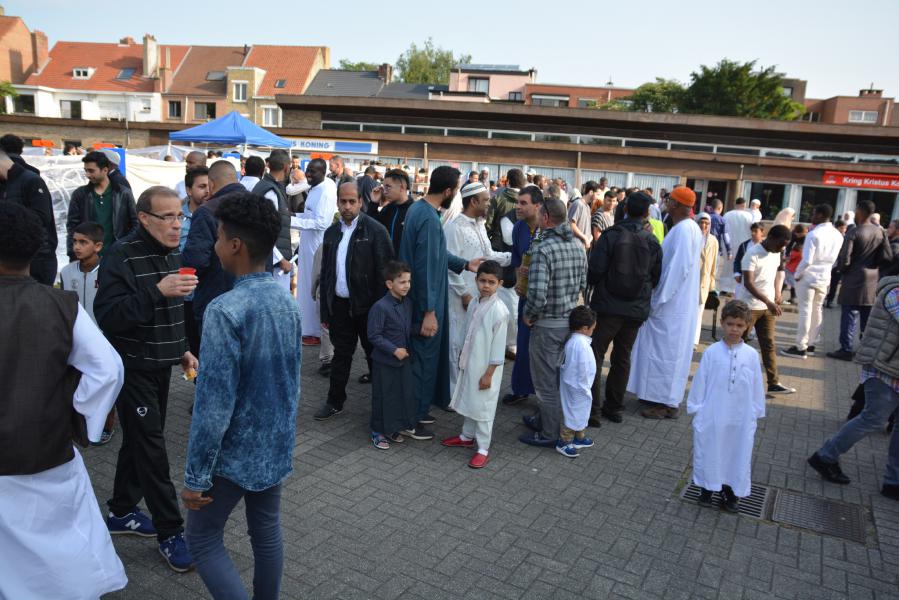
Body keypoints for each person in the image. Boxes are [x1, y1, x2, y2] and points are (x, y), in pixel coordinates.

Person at [0, 202, 127, 600]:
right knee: (60, 550)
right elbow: (108, 369)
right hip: (46, 449)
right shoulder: (60, 305)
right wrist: (81, 422)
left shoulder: (59, 303)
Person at [182, 192, 301, 600]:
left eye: (217, 237)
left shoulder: (224, 309)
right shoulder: (286, 301)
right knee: (266, 529)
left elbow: (212, 404)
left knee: (201, 537)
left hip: (232, 456)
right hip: (274, 445)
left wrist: (196, 476)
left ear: (235, 245)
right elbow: (292, 381)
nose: (213, 245)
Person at [94, 186, 198, 572]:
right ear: (144, 219)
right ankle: (171, 532)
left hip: (162, 362)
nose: (176, 225)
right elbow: (109, 317)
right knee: (152, 448)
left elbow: (174, 311)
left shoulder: (174, 253)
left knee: (139, 440)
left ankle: (121, 511)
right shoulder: (120, 255)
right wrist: (157, 291)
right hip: (133, 366)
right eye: (167, 217)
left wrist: (183, 348)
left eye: (179, 216)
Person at [399, 166, 483, 440]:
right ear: (448, 191)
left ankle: (419, 411)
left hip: (426, 301)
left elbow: (437, 253)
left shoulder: (421, 211)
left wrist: (465, 264)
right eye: (456, 190)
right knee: (423, 362)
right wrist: (429, 311)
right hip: (426, 304)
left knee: (426, 361)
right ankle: (412, 420)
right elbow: (423, 268)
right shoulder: (426, 216)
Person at [808, 274, 899, 501]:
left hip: (892, 368)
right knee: (873, 419)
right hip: (883, 368)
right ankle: (825, 457)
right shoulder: (894, 290)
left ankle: (893, 481)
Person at [314, 182, 394, 420]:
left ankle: (383, 407)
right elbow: (327, 274)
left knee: (375, 357)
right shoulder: (331, 233)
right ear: (337, 201)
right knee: (341, 356)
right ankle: (334, 401)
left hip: (369, 307)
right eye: (343, 201)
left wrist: (383, 311)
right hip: (340, 306)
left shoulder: (375, 231)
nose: (347, 206)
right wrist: (325, 313)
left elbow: (386, 272)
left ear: (361, 201)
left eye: (352, 201)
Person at [628, 186, 704, 419]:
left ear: (678, 205)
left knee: (667, 355)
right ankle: (654, 395)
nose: (666, 204)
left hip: (671, 306)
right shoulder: (684, 228)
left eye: (670, 201)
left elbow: (675, 272)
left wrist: (657, 300)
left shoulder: (684, 231)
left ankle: (666, 403)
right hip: (673, 304)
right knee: (658, 352)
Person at [588, 191, 662, 424]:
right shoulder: (652, 241)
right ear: (647, 213)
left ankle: (593, 410)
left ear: (626, 208)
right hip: (635, 309)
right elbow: (656, 276)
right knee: (622, 356)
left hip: (608, 307)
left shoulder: (611, 235)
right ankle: (614, 407)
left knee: (596, 354)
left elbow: (595, 270)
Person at [519, 198, 587, 447]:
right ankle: (548, 420)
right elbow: (582, 285)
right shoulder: (579, 246)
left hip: (547, 325)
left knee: (546, 383)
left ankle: (549, 433)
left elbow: (537, 293)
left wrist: (529, 313)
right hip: (569, 322)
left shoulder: (543, 249)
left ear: (546, 217)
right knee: (559, 379)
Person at [687, 300, 765, 512]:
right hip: (714, 413)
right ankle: (706, 488)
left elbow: (757, 384)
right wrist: (697, 407)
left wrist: (756, 409)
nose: (734, 329)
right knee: (711, 449)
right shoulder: (712, 352)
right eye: (730, 324)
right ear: (722, 323)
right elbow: (701, 380)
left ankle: (730, 492)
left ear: (747, 326)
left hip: (739, 417)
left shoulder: (751, 355)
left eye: (739, 325)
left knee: (736, 453)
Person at [444, 181, 511, 394]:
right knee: (456, 342)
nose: (489, 203)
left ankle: (465, 387)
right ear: (473, 201)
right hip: (459, 296)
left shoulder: (480, 224)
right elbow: (449, 266)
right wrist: (464, 293)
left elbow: (487, 255)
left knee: (473, 341)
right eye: (486, 200)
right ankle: (453, 392)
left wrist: (512, 257)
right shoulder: (455, 227)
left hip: (479, 296)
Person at [442, 260, 509, 469]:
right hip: (470, 361)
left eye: (491, 282)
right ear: (476, 280)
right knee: (471, 400)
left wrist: (489, 374)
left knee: (484, 408)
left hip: (486, 368)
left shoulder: (500, 311)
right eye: (482, 281)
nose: (486, 286)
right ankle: (466, 436)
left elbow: (498, 349)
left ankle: (483, 448)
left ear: (500, 283)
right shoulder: (474, 302)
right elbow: (467, 329)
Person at [60, 221, 117, 445]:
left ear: (98, 246)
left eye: (83, 242)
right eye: (75, 241)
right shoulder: (66, 272)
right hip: (74, 337)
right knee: (76, 381)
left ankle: (106, 425)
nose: (77, 246)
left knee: (105, 380)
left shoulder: (108, 271)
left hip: (102, 337)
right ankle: (78, 423)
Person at [182, 160, 245, 344]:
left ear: (211, 184)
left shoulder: (206, 211)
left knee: (211, 365)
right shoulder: (260, 204)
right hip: (253, 300)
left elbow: (195, 261)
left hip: (215, 300)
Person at [828, 200, 894, 360]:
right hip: (872, 277)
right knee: (867, 317)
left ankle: (846, 348)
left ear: (860, 211)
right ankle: (866, 349)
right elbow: (887, 256)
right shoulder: (880, 232)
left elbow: (845, 257)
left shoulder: (854, 232)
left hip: (853, 278)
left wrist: (843, 270)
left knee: (849, 315)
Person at [737, 224, 795, 394]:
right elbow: (748, 283)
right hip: (749, 307)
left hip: (767, 307)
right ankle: (731, 376)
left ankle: (773, 383)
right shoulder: (752, 253)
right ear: (770, 238)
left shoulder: (777, 253)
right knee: (740, 342)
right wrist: (768, 301)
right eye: (780, 244)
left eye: (784, 245)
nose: (781, 248)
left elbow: (776, 274)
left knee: (768, 344)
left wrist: (777, 293)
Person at [780, 205, 843, 359]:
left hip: (808, 276)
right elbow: (835, 260)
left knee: (805, 311)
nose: (812, 216)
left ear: (821, 215)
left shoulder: (814, 234)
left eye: (814, 213)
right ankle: (812, 344)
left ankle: (801, 347)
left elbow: (807, 260)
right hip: (825, 276)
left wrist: (797, 274)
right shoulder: (838, 235)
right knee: (817, 310)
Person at [368, 261, 418, 449]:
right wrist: (394, 350)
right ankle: (377, 431)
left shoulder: (407, 303)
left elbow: (404, 328)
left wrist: (420, 329)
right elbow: (374, 335)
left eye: (408, 281)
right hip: (385, 361)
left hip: (402, 361)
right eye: (402, 282)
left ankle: (392, 428)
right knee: (383, 396)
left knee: (398, 395)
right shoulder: (380, 307)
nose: (407, 286)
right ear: (390, 284)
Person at [502, 185, 544, 406]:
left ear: (538, 206)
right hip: (525, 296)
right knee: (523, 340)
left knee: (543, 346)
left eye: (523, 203)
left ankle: (545, 396)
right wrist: (519, 283)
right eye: (517, 202)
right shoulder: (519, 228)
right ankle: (520, 389)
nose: (517, 206)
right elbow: (518, 260)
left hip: (546, 298)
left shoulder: (548, 229)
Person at [291, 158, 338, 346]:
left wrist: (291, 221)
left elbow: (322, 223)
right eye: (307, 170)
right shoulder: (315, 186)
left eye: (313, 171)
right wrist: (293, 216)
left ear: (324, 172)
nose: (308, 174)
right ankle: (307, 328)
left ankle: (315, 332)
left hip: (317, 245)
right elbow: (310, 216)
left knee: (312, 289)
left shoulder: (326, 190)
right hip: (307, 243)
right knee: (304, 287)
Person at [66, 150, 137, 260]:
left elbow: (135, 223)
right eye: (86, 170)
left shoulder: (123, 193)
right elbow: (72, 227)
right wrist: (73, 254)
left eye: (91, 171)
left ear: (105, 170)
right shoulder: (80, 194)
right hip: (88, 258)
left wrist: (126, 247)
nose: (87, 175)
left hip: (116, 257)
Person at [0, 150, 57, 284]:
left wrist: (9, 217)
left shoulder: (32, 181)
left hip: (38, 257)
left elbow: (42, 218)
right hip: (10, 259)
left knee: (38, 301)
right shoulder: (4, 185)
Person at [556, 306, 597, 458]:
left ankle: (578, 437)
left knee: (581, 411)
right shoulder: (579, 344)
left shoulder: (577, 341)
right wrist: (583, 385)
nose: (593, 330)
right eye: (593, 328)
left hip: (577, 385)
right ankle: (564, 442)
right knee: (573, 413)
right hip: (578, 386)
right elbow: (582, 368)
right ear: (585, 328)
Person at [251, 152, 294, 290]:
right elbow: (264, 230)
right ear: (286, 168)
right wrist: (280, 260)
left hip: (269, 261)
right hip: (272, 265)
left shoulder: (265, 186)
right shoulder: (270, 191)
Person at [179, 167, 209, 358]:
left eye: (209, 186)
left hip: (207, 293)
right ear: (189, 190)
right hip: (183, 295)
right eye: (202, 186)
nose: (207, 191)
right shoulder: (176, 216)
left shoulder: (214, 214)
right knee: (191, 347)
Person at [374, 168, 414, 255]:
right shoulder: (388, 209)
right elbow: (372, 229)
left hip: (405, 267)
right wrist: (373, 203)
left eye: (388, 187)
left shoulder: (414, 211)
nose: (384, 192)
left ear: (402, 187)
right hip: (386, 265)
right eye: (383, 187)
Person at [719, 197, 754, 294]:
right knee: (740, 265)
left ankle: (725, 287)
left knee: (727, 266)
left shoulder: (727, 215)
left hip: (729, 244)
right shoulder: (749, 216)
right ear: (744, 205)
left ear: (735, 204)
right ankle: (737, 288)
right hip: (743, 244)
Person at [485, 168, 525, 250]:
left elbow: (488, 224)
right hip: (521, 245)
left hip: (498, 246)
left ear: (508, 181)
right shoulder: (528, 201)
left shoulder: (497, 199)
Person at [696, 212, 719, 345]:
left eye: (706, 223)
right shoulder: (692, 237)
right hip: (691, 280)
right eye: (701, 222)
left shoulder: (713, 240)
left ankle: (694, 341)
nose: (704, 225)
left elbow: (714, 264)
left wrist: (712, 283)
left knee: (699, 312)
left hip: (704, 281)